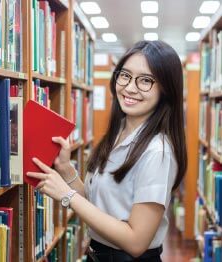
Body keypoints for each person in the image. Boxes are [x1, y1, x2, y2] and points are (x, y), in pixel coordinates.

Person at [27, 41, 186, 261]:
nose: (130, 88)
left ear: (166, 90)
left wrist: (67, 196)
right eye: (125, 75)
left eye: (146, 81)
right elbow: (100, 208)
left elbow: (136, 242)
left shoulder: (157, 152)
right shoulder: (118, 133)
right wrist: (65, 169)